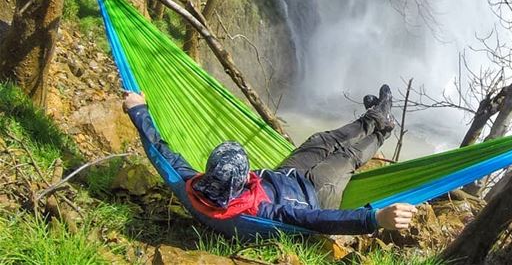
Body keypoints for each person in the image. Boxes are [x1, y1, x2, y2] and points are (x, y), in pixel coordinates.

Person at [123, 84, 417, 235]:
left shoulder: (191, 185)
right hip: (314, 194)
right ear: (242, 182)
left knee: (321, 140)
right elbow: (319, 219)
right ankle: (383, 131)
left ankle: (373, 117)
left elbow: (161, 152)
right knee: (346, 157)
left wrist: (138, 111)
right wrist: (374, 218)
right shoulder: (261, 212)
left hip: (284, 175)